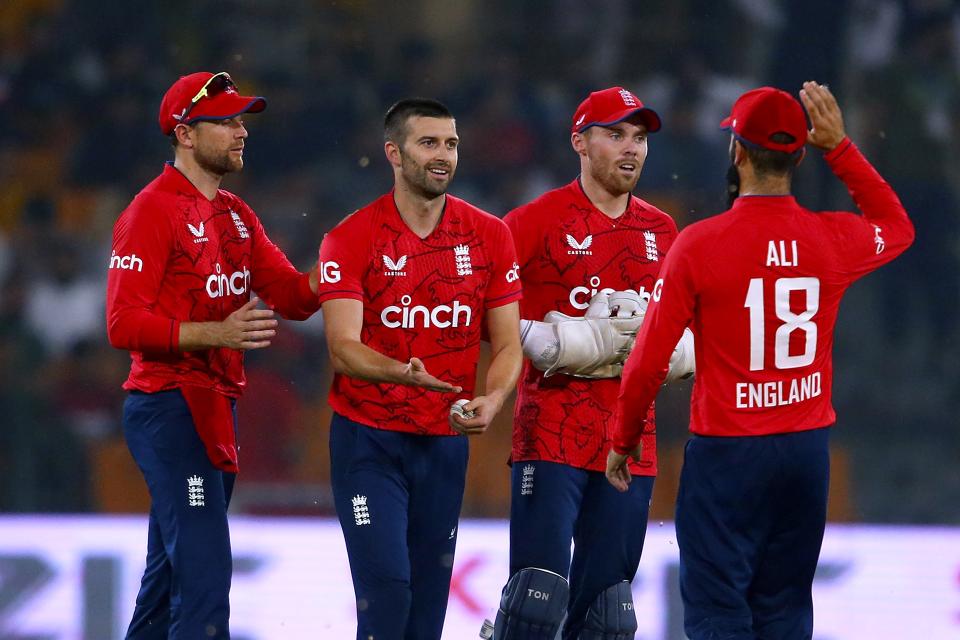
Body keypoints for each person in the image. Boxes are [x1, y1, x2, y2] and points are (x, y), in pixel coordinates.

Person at [607, 82, 914, 639]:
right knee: (785, 609)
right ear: (799, 154)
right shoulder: (832, 239)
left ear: (737, 151)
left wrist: (622, 439)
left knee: (718, 610)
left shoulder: (698, 245)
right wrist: (842, 148)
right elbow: (897, 227)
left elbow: (649, 360)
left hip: (728, 453)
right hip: (804, 453)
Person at [106, 71, 321, 639]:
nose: (240, 131)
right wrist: (213, 334)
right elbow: (122, 322)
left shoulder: (235, 215)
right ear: (183, 133)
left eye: (241, 120)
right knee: (203, 574)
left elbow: (295, 298)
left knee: (167, 581)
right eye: (225, 121)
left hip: (212, 410)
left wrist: (351, 260)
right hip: (168, 407)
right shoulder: (150, 212)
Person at [317, 98, 522, 640]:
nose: (444, 156)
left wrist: (493, 401)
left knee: (427, 614)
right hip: (368, 443)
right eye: (429, 143)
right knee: (388, 593)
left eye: (451, 144)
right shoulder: (351, 237)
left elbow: (507, 346)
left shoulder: (490, 236)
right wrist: (400, 373)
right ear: (394, 152)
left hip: (444, 444)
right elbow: (342, 347)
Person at [494, 87, 694, 639]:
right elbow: (483, 311)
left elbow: (683, 334)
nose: (631, 148)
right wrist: (554, 341)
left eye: (640, 137)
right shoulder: (531, 222)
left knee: (609, 616)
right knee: (535, 601)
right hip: (551, 432)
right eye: (615, 134)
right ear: (579, 142)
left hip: (631, 441)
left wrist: (674, 354)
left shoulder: (662, 232)